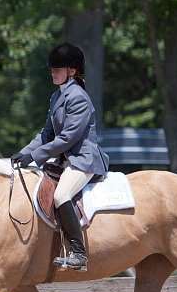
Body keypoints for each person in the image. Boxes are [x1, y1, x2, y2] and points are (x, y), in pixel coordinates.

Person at [11, 42, 109, 272]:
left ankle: (78, 253)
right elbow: (46, 134)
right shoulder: (57, 98)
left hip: (83, 160)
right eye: (52, 69)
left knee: (61, 194)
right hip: (66, 161)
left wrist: (35, 156)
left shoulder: (78, 98)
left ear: (72, 71)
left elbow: (67, 138)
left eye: (58, 68)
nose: (53, 72)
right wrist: (24, 154)